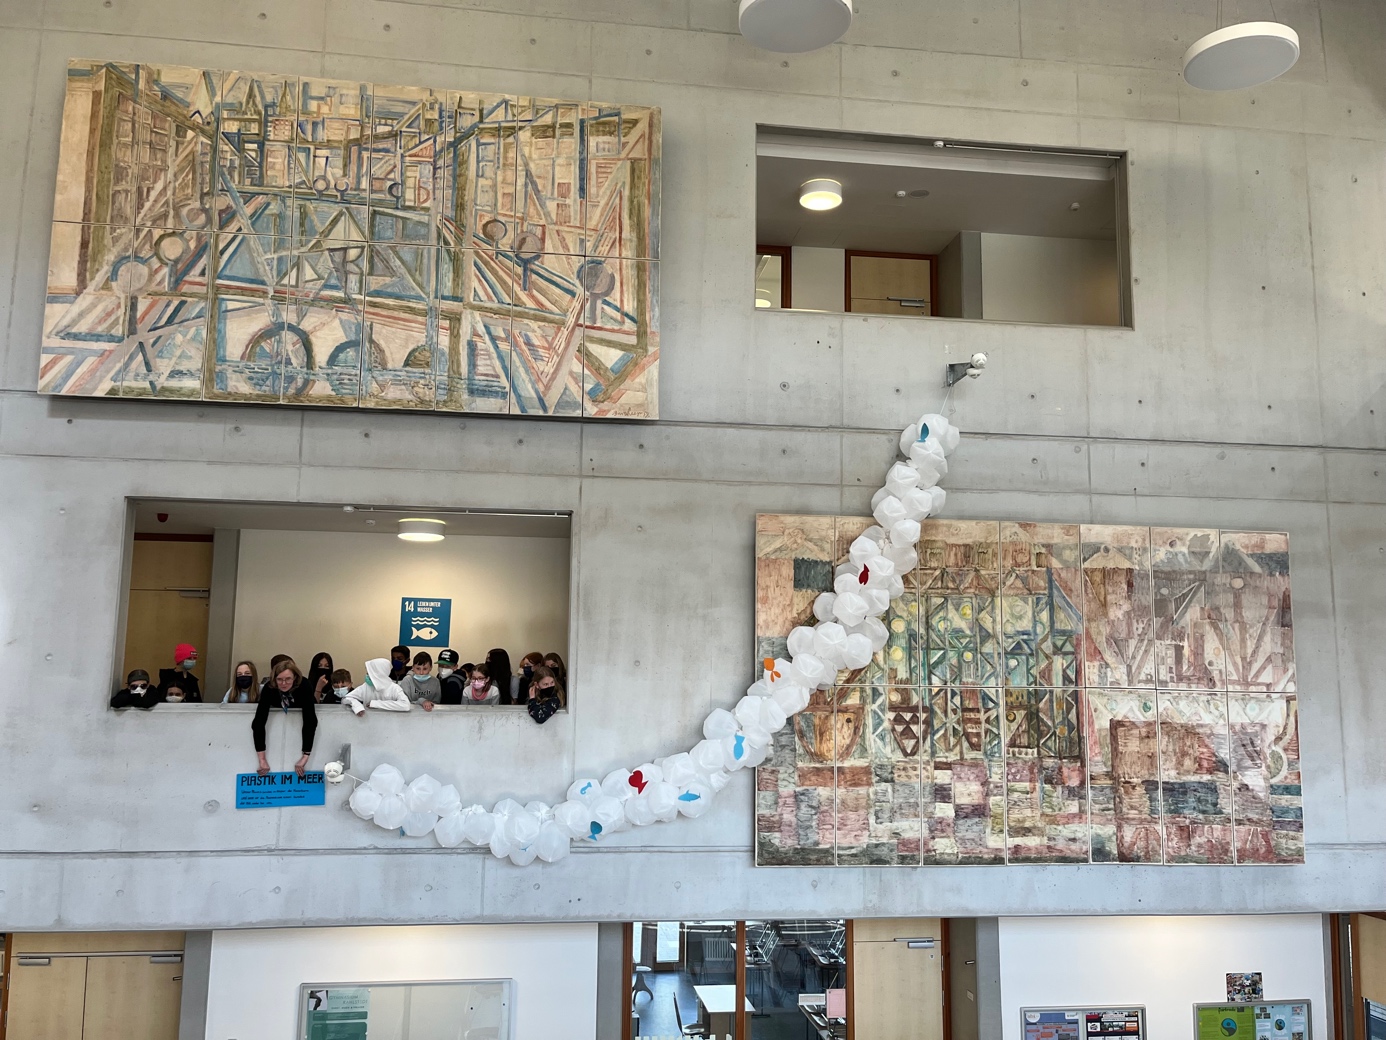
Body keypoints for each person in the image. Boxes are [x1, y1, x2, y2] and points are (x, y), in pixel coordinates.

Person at [251, 658, 317, 777]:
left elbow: (310, 721)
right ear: (274, 679)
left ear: (295, 677)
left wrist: (305, 756)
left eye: (288, 679)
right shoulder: (269, 688)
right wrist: (262, 760)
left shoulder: (304, 685)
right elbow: (258, 723)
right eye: (279, 679)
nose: (284, 683)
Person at [342, 658, 412, 716]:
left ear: (377, 674)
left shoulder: (394, 688)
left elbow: (405, 705)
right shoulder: (366, 687)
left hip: (390, 723)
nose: (367, 675)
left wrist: (375, 704)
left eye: (369, 673)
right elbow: (346, 698)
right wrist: (357, 706)